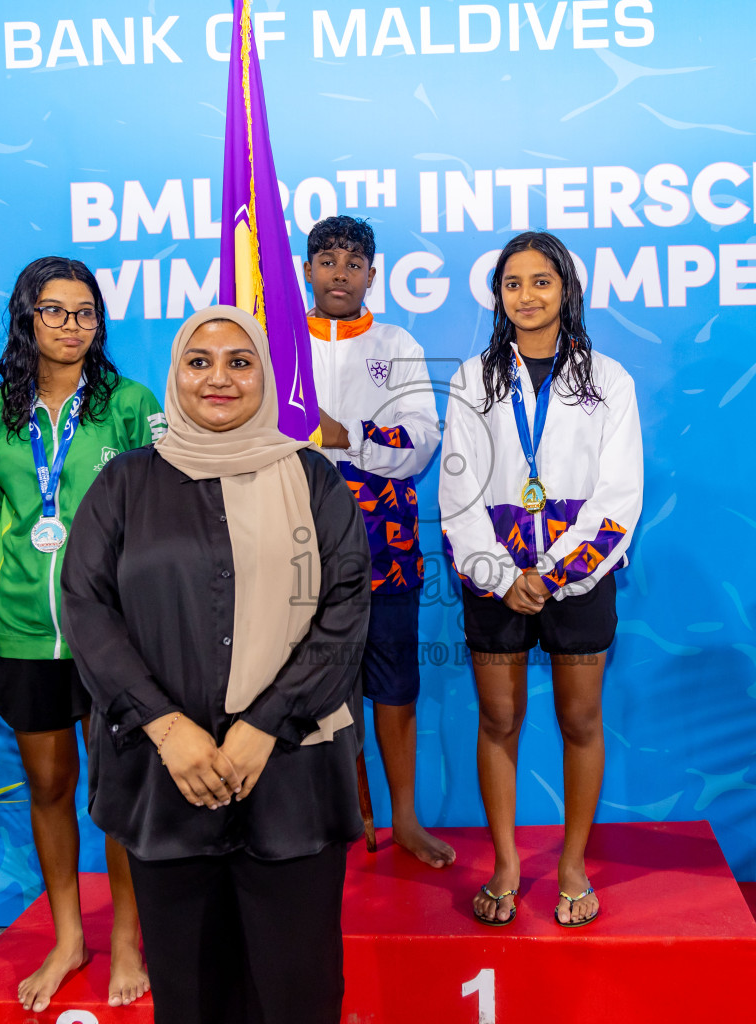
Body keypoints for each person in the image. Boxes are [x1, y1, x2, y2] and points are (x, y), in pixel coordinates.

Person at [61, 305, 370, 1024]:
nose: (219, 378)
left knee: (300, 994)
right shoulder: (126, 485)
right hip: (167, 783)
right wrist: (168, 728)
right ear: (176, 376)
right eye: (200, 362)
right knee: (192, 998)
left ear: (266, 374)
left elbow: (346, 608)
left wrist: (266, 724)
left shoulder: (314, 478)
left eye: (240, 361)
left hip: (291, 780)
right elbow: (86, 608)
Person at [0, 256, 164, 1012]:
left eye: (85, 313)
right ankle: (68, 937)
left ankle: (124, 942)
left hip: (110, 631)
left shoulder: (127, 403)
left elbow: (155, 511)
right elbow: (1, 518)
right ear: (27, 317)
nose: (72, 325)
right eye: (55, 311)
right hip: (25, 629)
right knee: (49, 787)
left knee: (114, 788)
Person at [438, 232, 643, 928]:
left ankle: (573, 864)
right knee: (499, 720)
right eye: (512, 284)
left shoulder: (609, 380)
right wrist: (501, 574)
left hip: (580, 582)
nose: (526, 296)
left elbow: (620, 495)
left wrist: (553, 576)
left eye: (540, 282)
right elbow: (457, 491)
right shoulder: (472, 380)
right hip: (493, 581)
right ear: (498, 296)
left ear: (566, 290)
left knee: (579, 719)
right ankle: (505, 863)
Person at [303, 215, 453, 870]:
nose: (340, 272)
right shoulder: (274, 345)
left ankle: (407, 820)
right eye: (327, 260)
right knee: (320, 694)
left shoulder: (397, 343)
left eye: (353, 262)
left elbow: (422, 437)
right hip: (297, 548)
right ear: (307, 270)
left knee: (394, 688)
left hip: (385, 544)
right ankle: (341, 818)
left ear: (371, 272)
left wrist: (347, 439)